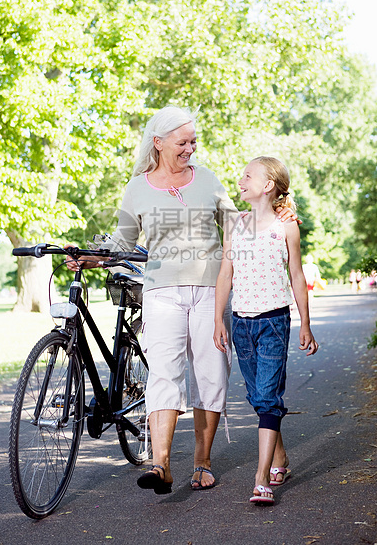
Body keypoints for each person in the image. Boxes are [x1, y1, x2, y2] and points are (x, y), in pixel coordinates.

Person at [67, 108, 297, 494]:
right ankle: (160, 464)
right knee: (163, 373)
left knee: (211, 373)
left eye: (194, 141)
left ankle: (202, 462)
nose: (191, 148)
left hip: (209, 289)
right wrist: (91, 258)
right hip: (161, 292)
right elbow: (124, 243)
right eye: (183, 142)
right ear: (158, 143)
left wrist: (278, 210)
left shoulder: (206, 179)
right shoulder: (136, 187)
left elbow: (239, 221)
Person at [213, 156, 318, 505]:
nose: (240, 179)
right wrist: (218, 320)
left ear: (268, 185)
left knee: (268, 396)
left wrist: (305, 323)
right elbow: (225, 274)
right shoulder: (236, 225)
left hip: (274, 321)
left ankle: (261, 479)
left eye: (247, 175)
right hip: (241, 322)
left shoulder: (286, 226)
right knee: (259, 397)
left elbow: (297, 277)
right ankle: (281, 458)